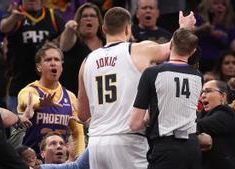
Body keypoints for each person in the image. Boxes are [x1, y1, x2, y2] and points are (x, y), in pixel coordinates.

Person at [77, 7, 196, 169]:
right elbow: (172, 48)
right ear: (128, 28)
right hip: (128, 139)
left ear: (104, 29)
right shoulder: (138, 49)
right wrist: (185, 28)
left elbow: (83, 114)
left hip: (97, 143)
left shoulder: (86, 61)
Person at [130, 28, 202, 169]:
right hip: (192, 148)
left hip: (165, 149)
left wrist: (147, 120)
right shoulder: (198, 76)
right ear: (193, 51)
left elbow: (135, 124)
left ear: (170, 45)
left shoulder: (152, 73)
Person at [17, 42, 85, 158]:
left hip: (59, 163)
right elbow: (27, 100)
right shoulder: (29, 91)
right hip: (32, 162)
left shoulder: (70, 96)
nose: (53, 63)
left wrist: (79, 157)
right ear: (39, 66)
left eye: (57, 60)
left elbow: (78, 133)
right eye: (48, 60)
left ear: (62, 66)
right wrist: (39, 102)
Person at [0, 0, 65, 113]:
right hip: (19, 84)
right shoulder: (16, 14)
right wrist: (14, 17)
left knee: (46, 127)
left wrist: (58, 41)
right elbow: (3, 28)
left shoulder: (52, 16)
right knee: (19, 128)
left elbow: (65, 39)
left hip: (46, 89)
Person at [197, 80, 235, 169]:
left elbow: (198, 126)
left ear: (223, 96)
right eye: (202, 92)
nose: (202, 96)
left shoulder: (227, 113)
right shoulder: (201, 115)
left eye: (208, 91)